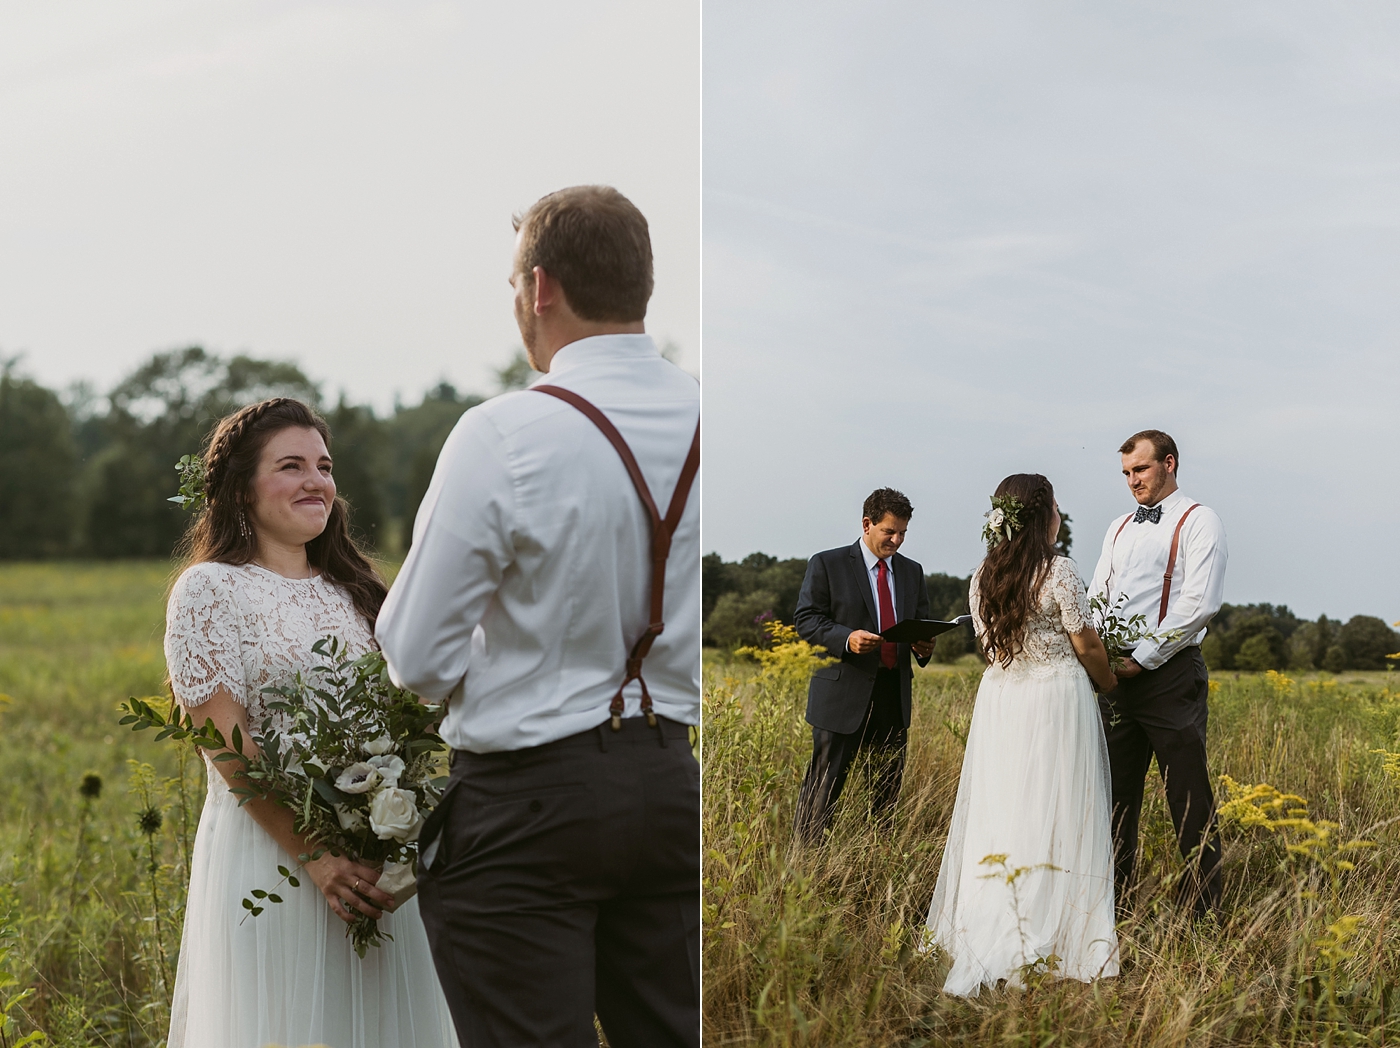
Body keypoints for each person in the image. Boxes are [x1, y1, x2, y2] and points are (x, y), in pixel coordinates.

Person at [376, 185, 700, 1048]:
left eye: (511, 283)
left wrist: (511, 668)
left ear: (540, 287)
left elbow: (414, 653)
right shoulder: (712, 418)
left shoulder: (504, 434)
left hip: (526, 805)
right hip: (673, 785)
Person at [162, 397, 457, 1048]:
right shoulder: (211, 590)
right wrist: (319, 856)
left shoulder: (359, 592)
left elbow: (414, 719)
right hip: (275, 860)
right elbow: (225, 745)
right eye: (290, 466)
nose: (315, 481)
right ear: (241, 488)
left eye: (323, 466)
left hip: (377, 869)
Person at [925, 473, 1120, 997]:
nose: (1061, 512)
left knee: (1003, 809)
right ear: (1042, 516)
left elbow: (990, 649)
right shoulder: (1059, 571)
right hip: (1055, 700)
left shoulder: (981, 575)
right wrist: (1110, 682)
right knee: (1057, 807)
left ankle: (989, 920)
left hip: (1003, 699)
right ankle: (1056, 930)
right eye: (1056, 505)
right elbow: (1087, 644)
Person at [1088, 429, 1227, 916]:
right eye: (1126, 473)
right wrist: (1100, 654)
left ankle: (1201, 914)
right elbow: (1099, 593)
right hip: (1114, 676)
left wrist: (1142, 657)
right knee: (1113, 795)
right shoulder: (1119, 526)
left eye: (1141, 469)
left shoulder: (1199, 520)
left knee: (1188, 799)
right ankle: (1113, 906)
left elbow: (1199, 603)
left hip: (1169, 674)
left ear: (1169, 463)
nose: (1132, 481)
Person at [792, 487, 935, 842]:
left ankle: (875, 862)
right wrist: (846, 638)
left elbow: (921, 623)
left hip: (892, 695)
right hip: (842, 696)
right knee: (822, 792)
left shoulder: (913, 572)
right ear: (867, 524)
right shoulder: (827, 563)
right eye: (890, 531)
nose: (898, 540)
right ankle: (805, 865)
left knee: (885, 796)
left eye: (903, 532)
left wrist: (924, 646)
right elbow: (806, 620)